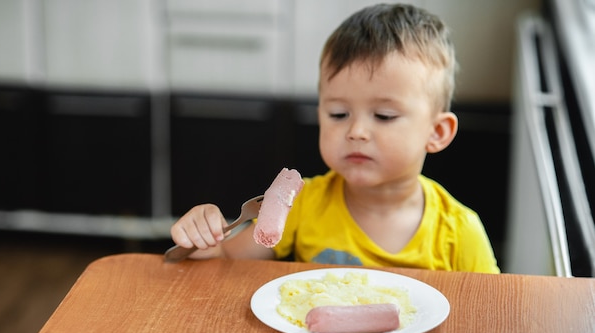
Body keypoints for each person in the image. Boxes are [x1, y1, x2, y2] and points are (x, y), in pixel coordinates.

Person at [170, 3, 500, 273]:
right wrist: (205, 239)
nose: (356, 131)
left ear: (436, 132)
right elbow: (225, 263)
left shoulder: (459, 234)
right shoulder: (302, 206)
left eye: (384, 116)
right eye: (339, 114)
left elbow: (491, 315)